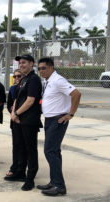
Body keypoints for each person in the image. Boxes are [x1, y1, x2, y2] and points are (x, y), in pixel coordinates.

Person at [37, 57, 81, 196]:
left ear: (51, 68)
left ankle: (59, 186)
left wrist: (71, 114)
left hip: (58, 120)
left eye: (43, 68)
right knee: (54, 151)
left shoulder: (58, 80)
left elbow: (76, 93)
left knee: (50, 151)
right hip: (50, 120)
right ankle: (54, 181)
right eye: (39, 69)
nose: (41, 71)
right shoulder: (47, 81)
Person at [8, 54, 42, 191]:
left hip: (29, 120)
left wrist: (16, 113)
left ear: (31, 63)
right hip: (18, 119)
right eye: (20, 63)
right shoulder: (23, 79)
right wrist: (13, 114)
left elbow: (30, 101)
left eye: (24, 62)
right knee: (20, 147)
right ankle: (20, 172)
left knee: (30, 149)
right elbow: (16, 98)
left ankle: (30, 178)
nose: (21, 65)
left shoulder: (34, 79)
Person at [4, 69, 25, 178]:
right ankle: (15, 167)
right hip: (15, 120)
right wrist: (13, 113)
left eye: (19, 76)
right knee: (16, 145)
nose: (17, 78)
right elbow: (9, 105)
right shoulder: (12, 89)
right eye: (15, 77)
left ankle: (23, 168)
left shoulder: (26, 87)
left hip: (25, 120)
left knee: (25, 146)